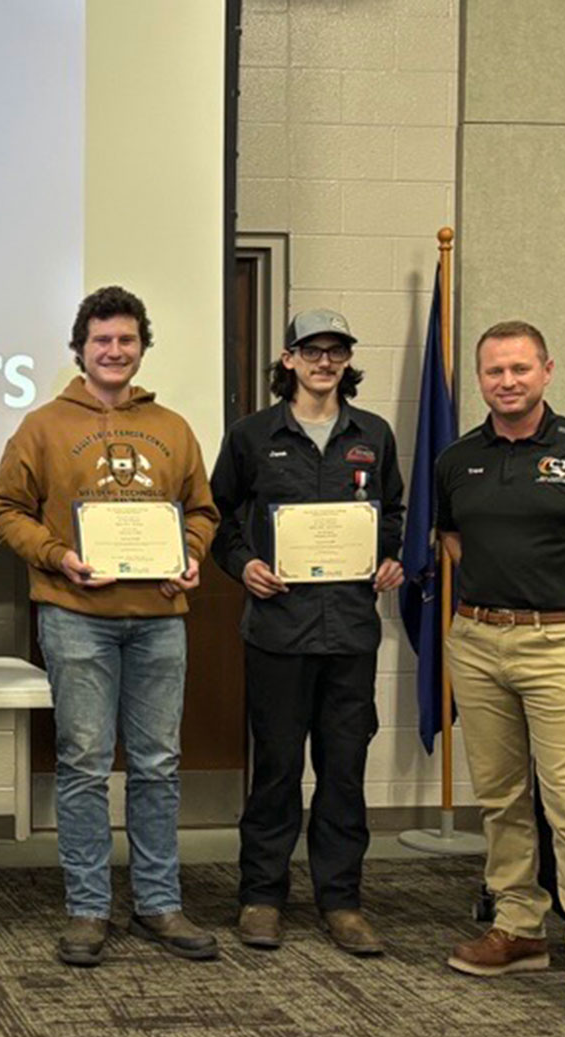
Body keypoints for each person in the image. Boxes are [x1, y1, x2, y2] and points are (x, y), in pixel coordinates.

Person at [0, 284, 220, 966]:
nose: (114, 351)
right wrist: (57, 555)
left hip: (160, 619)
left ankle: (158, 904)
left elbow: (201, 512)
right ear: (80, 350)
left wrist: (191, 555)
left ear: (142, 348)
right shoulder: (43, 425)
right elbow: (5, 507)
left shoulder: (174, 428)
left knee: (158, 766)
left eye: (125, 340)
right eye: (101, 341)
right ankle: (88, 909)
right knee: (85, 766)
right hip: (75, 616)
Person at [436, 320, 565, 1034]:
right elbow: (453, 537)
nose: (507, 381)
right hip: (477, 639)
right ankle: (519, 927)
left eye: (520, 368)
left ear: (547, 371)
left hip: (559, 645)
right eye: (494, 371)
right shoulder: (457, 457)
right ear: (481, 378)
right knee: (499, 797)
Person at [208, 309, 405, 955]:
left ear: (347, 361)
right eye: (312, 351)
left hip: (349, 633)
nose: (325, 362)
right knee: (277, 772)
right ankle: (262, 896)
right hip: (278, 633)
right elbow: (220, 518)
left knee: (344, 773)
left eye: (337, 351)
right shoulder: (251, 435)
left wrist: (389, 556)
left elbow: (394, 513)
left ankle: (342, 902)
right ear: (288, 359)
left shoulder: (372, 435)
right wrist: (246, 566)